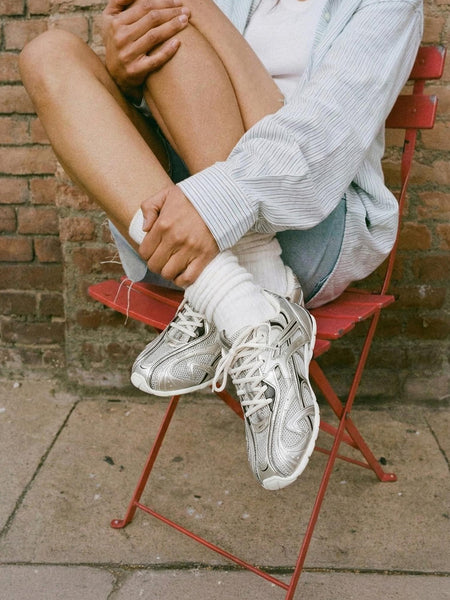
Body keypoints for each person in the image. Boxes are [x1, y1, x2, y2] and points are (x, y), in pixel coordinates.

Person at [19, 0, 423, 491]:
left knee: (176, 23)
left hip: (302, 222)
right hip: (174, 222)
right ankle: (249, 309)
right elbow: (173, 104)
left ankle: (236, 287)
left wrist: (202, 12)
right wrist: (128, 74)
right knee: (48, 54)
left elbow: (321, 144)